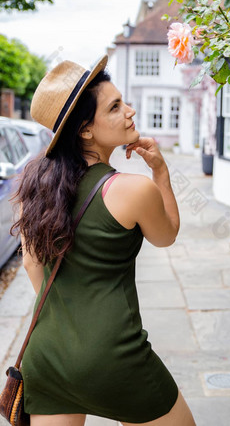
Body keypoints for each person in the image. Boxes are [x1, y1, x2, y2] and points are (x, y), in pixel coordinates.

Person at [11, 55, 196, 426]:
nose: (129, 111)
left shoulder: (34, 189)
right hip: (115, 357)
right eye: (115, 107)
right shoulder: (132, 189)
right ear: (85, 130)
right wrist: (160, 171)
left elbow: (32, 265)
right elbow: (166, 234)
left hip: (47, 356)